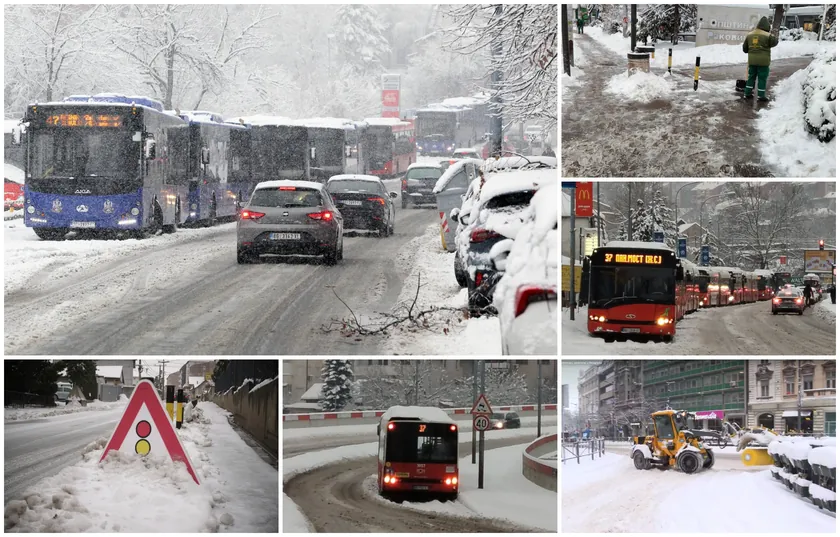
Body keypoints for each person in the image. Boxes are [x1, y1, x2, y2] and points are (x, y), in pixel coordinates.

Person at [742, 16, 779, 102]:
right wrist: (774, 35)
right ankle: (761, 95)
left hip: (752, 61)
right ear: (767, 27)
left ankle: (747, 93)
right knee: (762, 78)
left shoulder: (750, 34)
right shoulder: (768, 35)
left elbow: (745, 49)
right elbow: (775, 42)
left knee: (751, 77)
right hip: (763, 62)